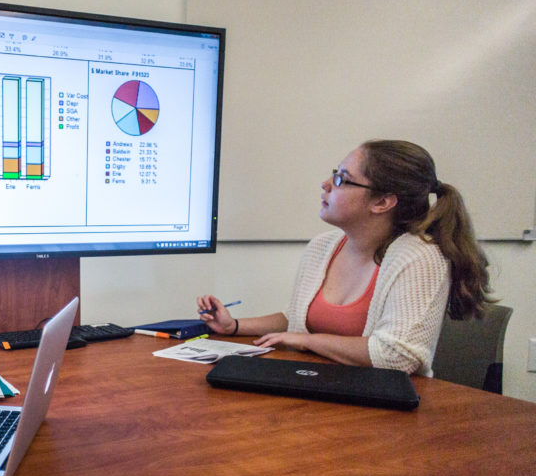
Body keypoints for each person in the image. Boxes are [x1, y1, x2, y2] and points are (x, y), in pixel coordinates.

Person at [198, 140, 491, 376]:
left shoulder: (421, 257)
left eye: (342, 179)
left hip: (384, 409)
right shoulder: (323, 246)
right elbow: (295, 320)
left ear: (382, 202)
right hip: (316, 386)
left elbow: (399, 357)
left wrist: (309, 341)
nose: (326, 184)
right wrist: (233, 326)